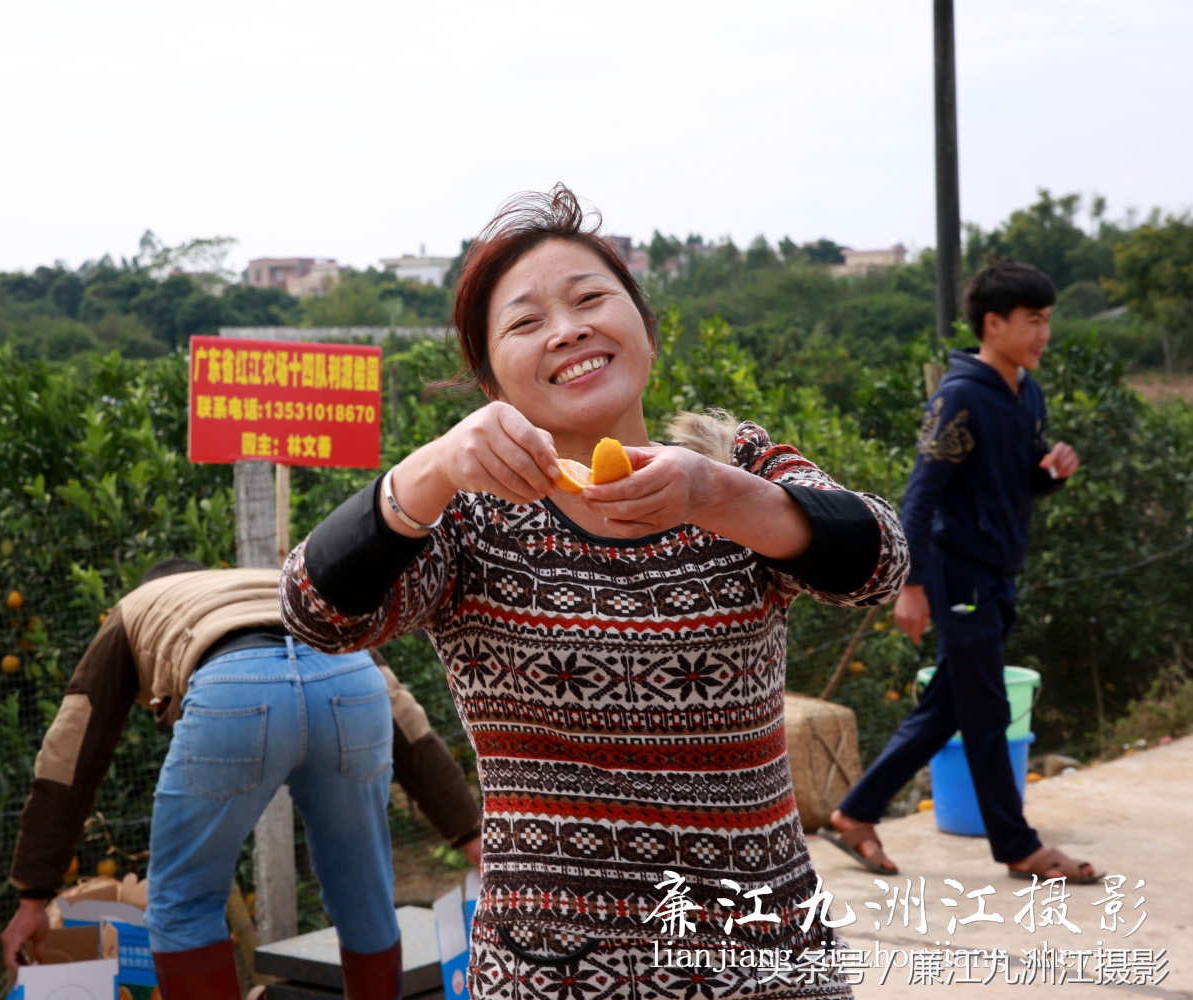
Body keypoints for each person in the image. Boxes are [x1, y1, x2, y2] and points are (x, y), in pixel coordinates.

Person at [281, 185, 908, 1000]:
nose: (567, 329)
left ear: (644, 329)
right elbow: (316, 613)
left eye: (588, 299)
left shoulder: (736, 465)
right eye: (525, 321)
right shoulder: (468, 519)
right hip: (553, 976)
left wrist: (716, 497)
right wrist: (428, 470)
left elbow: (881, 560)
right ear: (491, 382)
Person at [0, 559, 483, 1000]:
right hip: (350, 681)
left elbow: (72, 750)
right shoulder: (277, 580)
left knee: (183, 907)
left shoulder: (135, 609)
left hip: (234, 688)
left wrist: (33, 894)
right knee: (364, 899)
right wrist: (472, 833)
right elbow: (406, 719)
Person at [828, 259, 1092, 883]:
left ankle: (856, 813)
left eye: (1047, 320)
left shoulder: (1026, 392)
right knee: (988, 710)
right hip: (958, 574)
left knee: (949, 704)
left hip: (997, 573)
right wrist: (910, 585)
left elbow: (1013, 481)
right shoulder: (958, 398)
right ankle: (1019, 846)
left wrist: (1048, 474)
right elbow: (921, 496)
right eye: (1034, 321)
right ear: (993, 324)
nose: (1043, 334)